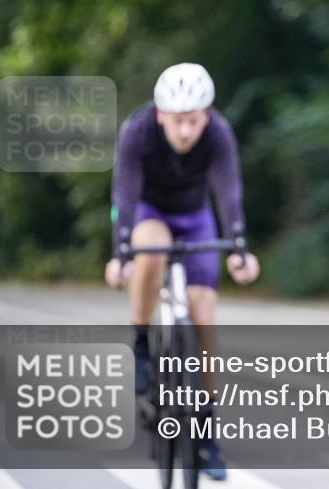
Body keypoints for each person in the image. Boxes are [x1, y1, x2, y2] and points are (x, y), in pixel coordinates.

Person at [104, 62, 260, 481]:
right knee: (149, 250)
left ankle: (205, 430)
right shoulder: (137, 131)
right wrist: (120, 253)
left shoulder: (218, 133)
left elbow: (228, 191)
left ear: (206, 116)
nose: (186, 131)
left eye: (193, 121)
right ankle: (140, 341)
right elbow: (125, 190)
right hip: (149, 211)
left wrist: (239, 246)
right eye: (177, 121)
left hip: (195, 216)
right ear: (160, 115)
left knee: (204, 312)